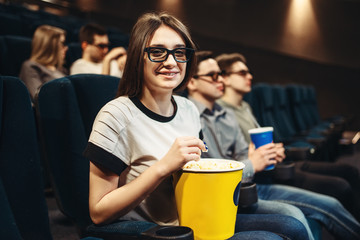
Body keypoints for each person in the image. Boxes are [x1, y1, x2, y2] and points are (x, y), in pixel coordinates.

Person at [83, 12, 309, 240]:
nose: (171, 62)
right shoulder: (116, 115)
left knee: (293, 226)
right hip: (163, 234)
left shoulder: (188, 109)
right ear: (137, 57)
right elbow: (99, 213)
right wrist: (163, 168)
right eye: (158, 51)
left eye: (179, 53)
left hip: (201, 217)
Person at [186, 50, 360, 240]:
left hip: (251, 184)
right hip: (226, 197)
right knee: (294, 218)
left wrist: (261, 155)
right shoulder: (188, 117)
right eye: (213, 75)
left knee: (329, 203)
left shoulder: (226, 115)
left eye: (220, 74)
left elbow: (245, 153)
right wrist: (252, 162)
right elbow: (207, 179)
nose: (220, 79)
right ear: (192, 82)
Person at [19, 25, 68, 101]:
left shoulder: (61, 69)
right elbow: (40, 98)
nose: (66, 47)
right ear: (49, 45)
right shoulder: (31, 67)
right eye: (62, 43)